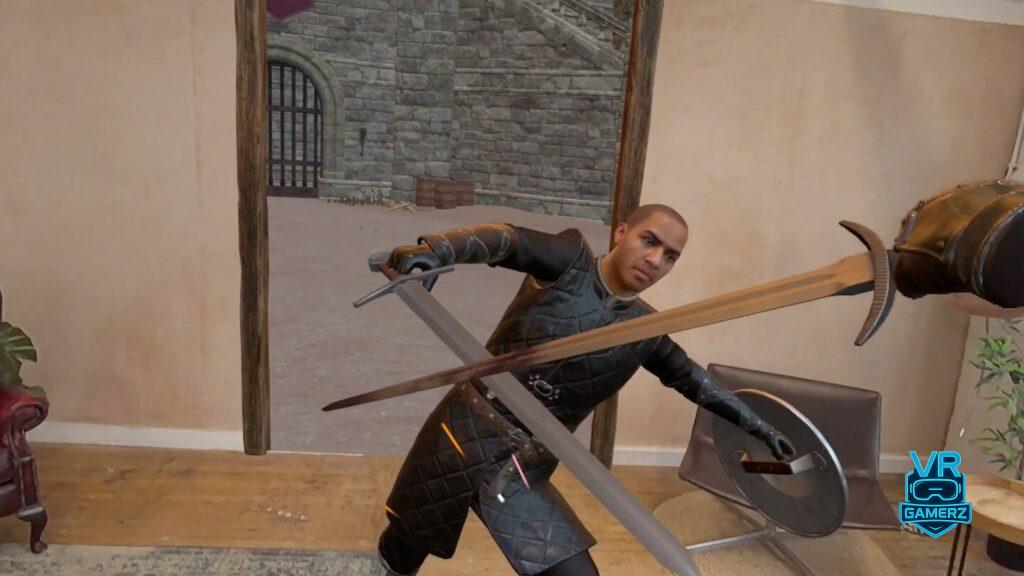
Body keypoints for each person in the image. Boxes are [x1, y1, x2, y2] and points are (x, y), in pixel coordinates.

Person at [376, 204, 795, 576]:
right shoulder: (568, 262)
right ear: (621, 232)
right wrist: (439, 249)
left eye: (670, 256)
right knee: (405, 547)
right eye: (649, 241)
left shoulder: (645, 331)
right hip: (460, 434)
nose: (655, 260)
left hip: (522, 468)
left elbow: (693, 380)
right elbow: (508, 240)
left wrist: (760, 427)